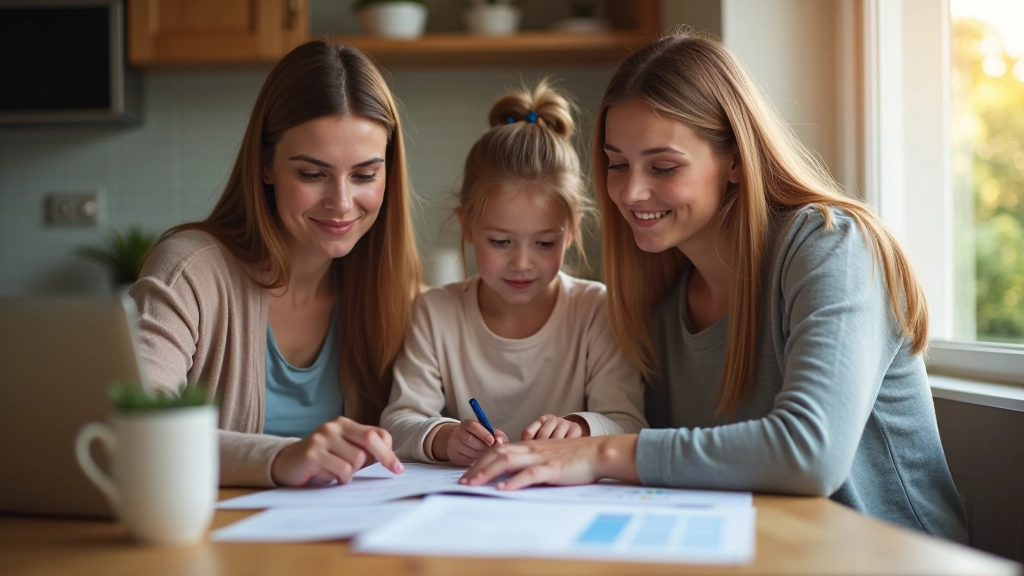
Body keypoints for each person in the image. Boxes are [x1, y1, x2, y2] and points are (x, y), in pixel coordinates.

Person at [460, 33, 969, 542]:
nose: (631, 192)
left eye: (663, 166)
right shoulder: (659, 306)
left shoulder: (832, 245)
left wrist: (596, 452)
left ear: (734, 158)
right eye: (618, 165)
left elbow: (810, 454)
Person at [129, 40, 421, 488]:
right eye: (312, 174)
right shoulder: (189, 271)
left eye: (364, 175)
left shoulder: (394, 289)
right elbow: (139, 430)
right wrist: (281, 456)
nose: (341, 204)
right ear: (265, 164)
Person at [380, 81, 646, 466]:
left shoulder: (596, 311)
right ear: (467, 227)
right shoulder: (434, 311)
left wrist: (579, 428)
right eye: (501, 242)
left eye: (543, 243)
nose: (522, 263)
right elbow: (400, 421)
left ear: (572, 231)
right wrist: (444, 437)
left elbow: (627, 423)